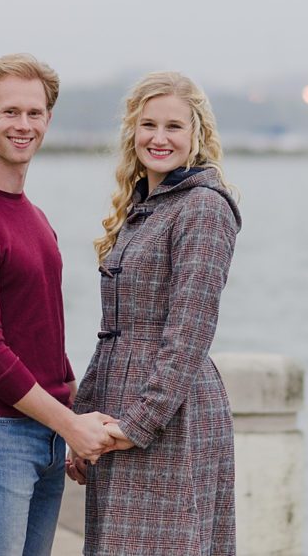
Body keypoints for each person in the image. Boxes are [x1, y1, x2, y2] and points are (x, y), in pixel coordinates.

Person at [0, 53, 116, 556]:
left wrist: (69, 421)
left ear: (49, 119)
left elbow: (45, 335)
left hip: (44, 435)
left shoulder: (33, 217)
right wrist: (68, 423)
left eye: (35, 113)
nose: (24, 125)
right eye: (10, 112)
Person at [67, 71, 241, 555]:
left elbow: (189, 332)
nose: (158, 138)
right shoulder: (144, 206)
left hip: (170, 416)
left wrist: (138, 424)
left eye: (174, 127)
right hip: (120, 406)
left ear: (197, 135)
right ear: (133, 131)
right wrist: (83, 420)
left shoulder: (204, 208)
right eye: (148, 125)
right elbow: (114, 334)